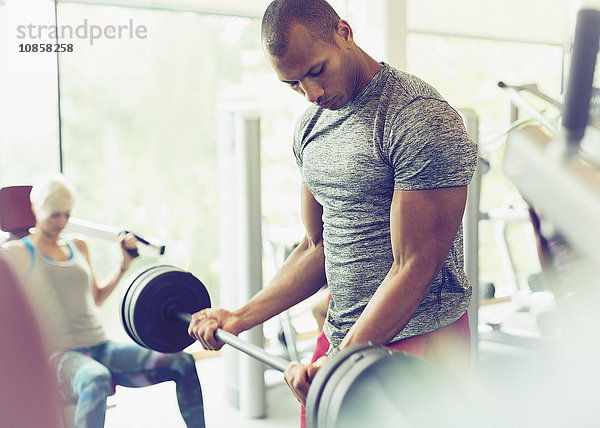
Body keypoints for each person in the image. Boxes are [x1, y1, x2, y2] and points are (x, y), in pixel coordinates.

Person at [189, 0, 477, 425]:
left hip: (420, 340)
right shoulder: (310, 129)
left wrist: (343, 361)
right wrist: (240, 316)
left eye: (317, 71)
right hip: (344, 338)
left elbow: (415, 265)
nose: (313, 94)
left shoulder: (417, 117)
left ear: (344, 33)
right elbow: (316, 247)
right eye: (293, 83)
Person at [2, 173, 206, 428]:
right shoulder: (19, 252)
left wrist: (124, 264)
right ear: (36, 208)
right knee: (96, 378)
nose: (62, 222)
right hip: (60, 356)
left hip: (101, 348)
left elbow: (97, 297)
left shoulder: (78, 245)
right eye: (55, 215)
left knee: (182, 362)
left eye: (67, 214)